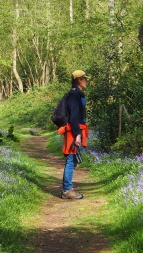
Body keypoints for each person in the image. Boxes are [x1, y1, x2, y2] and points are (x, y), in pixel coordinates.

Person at [60, 70, 89, 199]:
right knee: (71, 160)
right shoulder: (74, 95)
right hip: (73, 131)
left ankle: (67, 188)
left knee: (72, 160)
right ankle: (67, 190)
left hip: (74, 130)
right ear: (79, 80)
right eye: (84, 79)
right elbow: (74, 117)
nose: (86, 81)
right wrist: (77, 134)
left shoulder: (76, 94)